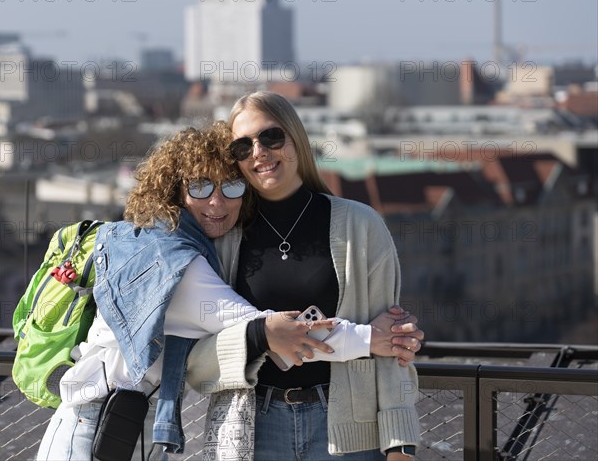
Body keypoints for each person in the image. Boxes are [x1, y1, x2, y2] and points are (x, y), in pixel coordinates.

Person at [36, 122, 421, 461]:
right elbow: (278, 332)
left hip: (126, 424)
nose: (217, 202)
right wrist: (374, 338)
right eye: (200, 187)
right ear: (174, 190)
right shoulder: (176, 263)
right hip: (98, 427)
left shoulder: (148, 237)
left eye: (231, 186)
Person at [185, 92, 421, 461]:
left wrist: (400, 441)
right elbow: (196, 360)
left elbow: (392, 345)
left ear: (296, 138)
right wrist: (261, 336)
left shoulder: (360, 226)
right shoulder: (222, 240)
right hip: (253, 432)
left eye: (271, 137)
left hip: (348, 432)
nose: (259, 152)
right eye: (242, 147)